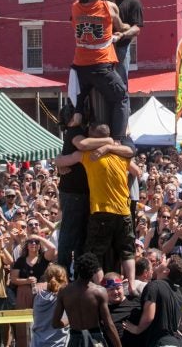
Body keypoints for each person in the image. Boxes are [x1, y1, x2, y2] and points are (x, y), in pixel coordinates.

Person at [55, 122, 137, 293]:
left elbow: (60, 160)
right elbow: (138, 172)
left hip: (101, 211)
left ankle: (102, 289)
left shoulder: (87, 154)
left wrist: (61, 165)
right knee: (127, 251)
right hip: (124, 211)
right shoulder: (122, 154)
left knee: (93, 253)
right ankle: (131, 285)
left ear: (91, 135)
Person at [69, 0, 129, 140]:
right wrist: (125, 29)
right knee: (121, 97)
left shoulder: (74, 7)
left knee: (83, 90)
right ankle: (118, 137)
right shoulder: (109, 7)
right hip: (101, 65)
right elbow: (121, 26)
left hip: (80, 65)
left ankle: (78, 112)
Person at [53, 253, 121, 347]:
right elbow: (108, 325)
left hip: (75, 340)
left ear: (76, 268)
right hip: (95, 340)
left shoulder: (64, 292)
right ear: (94, 271)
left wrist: (70, 320)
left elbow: (55, 323)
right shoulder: (99, 292)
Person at [123, 255, 182, 347]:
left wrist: (137, 329)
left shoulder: (154, 286)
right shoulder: (179, 294)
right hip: (177, 342)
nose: (161, 261)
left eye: (165, 261)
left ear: (166, 271)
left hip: (162, 343)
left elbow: (149, 316)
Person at [113, 0, 143, 86]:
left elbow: (137, 28)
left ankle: (123, 106)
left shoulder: (134, 3)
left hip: (121, 49)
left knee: (120, 85)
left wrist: (122, 35)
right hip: (102, 48)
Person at [31, 264, 70, 347]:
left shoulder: (37, 297)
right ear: (64, 280)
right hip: (59, 344)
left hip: (37, 343)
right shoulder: (64, 298)